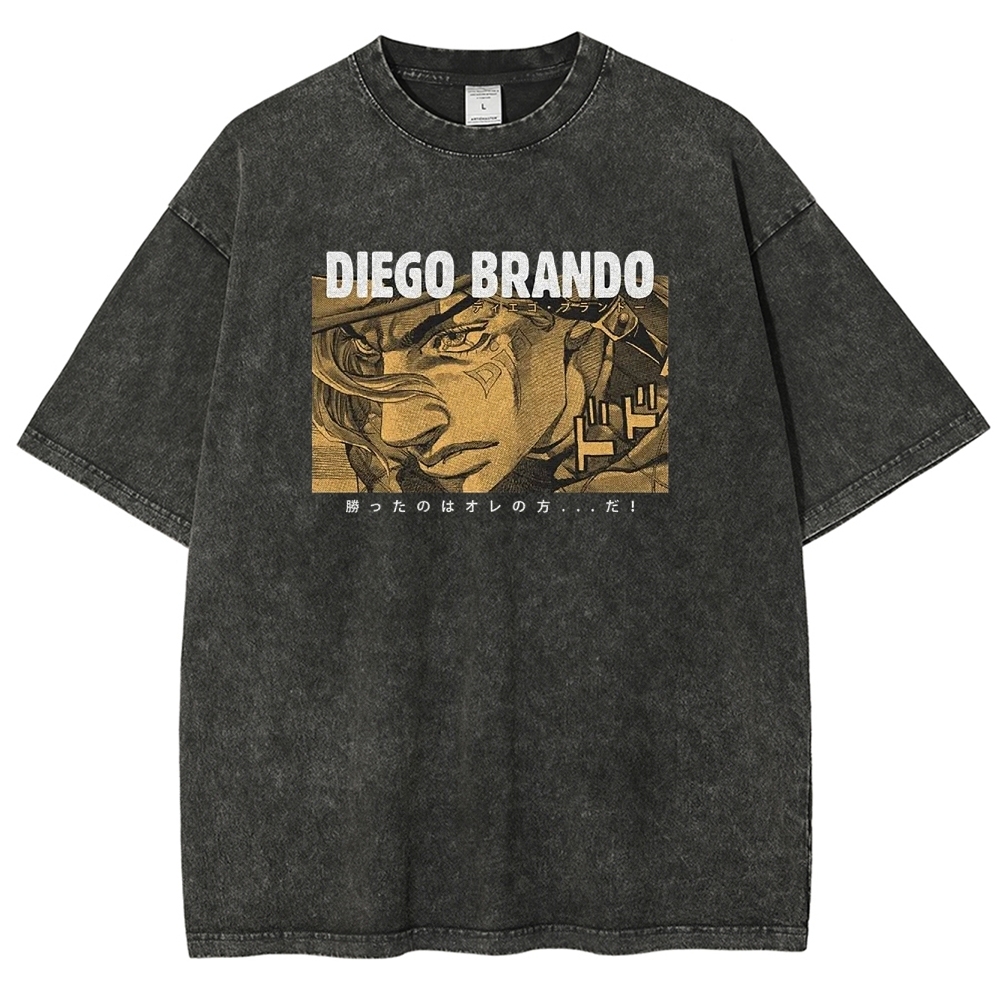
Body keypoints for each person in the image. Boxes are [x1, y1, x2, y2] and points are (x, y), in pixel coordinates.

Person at [311, 267, 670, 493]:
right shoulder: (379, 453)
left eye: (456, 338)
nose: (397, 431)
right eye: (367, 348)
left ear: (577, 311)